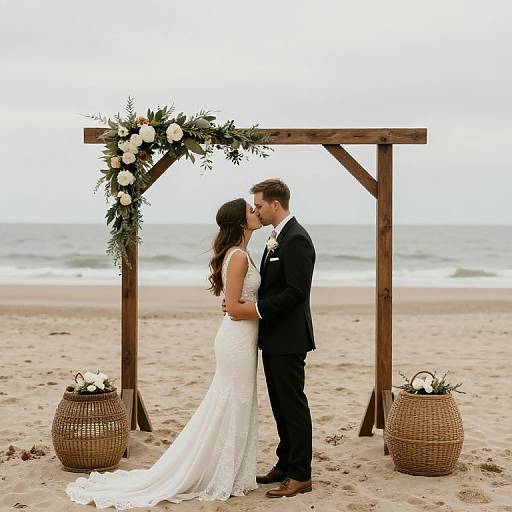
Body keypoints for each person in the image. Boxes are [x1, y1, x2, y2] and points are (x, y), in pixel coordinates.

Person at [66, 198, 262, 509]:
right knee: (231, 400)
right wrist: (265, 311)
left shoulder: (242, 253)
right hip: (237, 338)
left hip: (242, 337)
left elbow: (233, 303)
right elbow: (236, 308)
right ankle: (219, 473)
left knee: (236, 401)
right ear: (240, 222)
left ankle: (231, 470)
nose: (256, 212)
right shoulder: (237, 257)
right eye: (250, 210)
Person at [224, 178, 316, 498]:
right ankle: (285, 462)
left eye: (260, 205)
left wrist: (254, 308)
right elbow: (270, 285)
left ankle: (300, 474)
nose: (257, 211)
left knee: (292, 405)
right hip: (273, 337)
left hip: (290, 338)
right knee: (279, 404)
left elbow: (295, 293)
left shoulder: (297, 239)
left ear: (275, 205)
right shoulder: (276, 238)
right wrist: (236, 299)